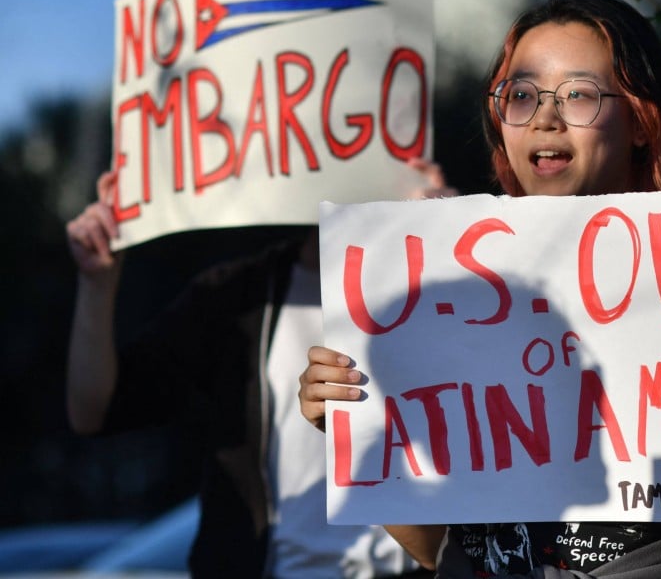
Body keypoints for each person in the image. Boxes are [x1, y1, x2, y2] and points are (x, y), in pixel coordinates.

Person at [298, 0, 661, 578]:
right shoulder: (446, 288)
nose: (546, 119)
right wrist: (353, 418)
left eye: (578, 95)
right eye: (521, 96)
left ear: (639, 121)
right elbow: (429, 549)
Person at [65, 157, 454, 578]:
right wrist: (96, 283)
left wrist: (447, 242)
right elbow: (96, 410)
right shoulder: (234, 299)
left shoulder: (448, 285)